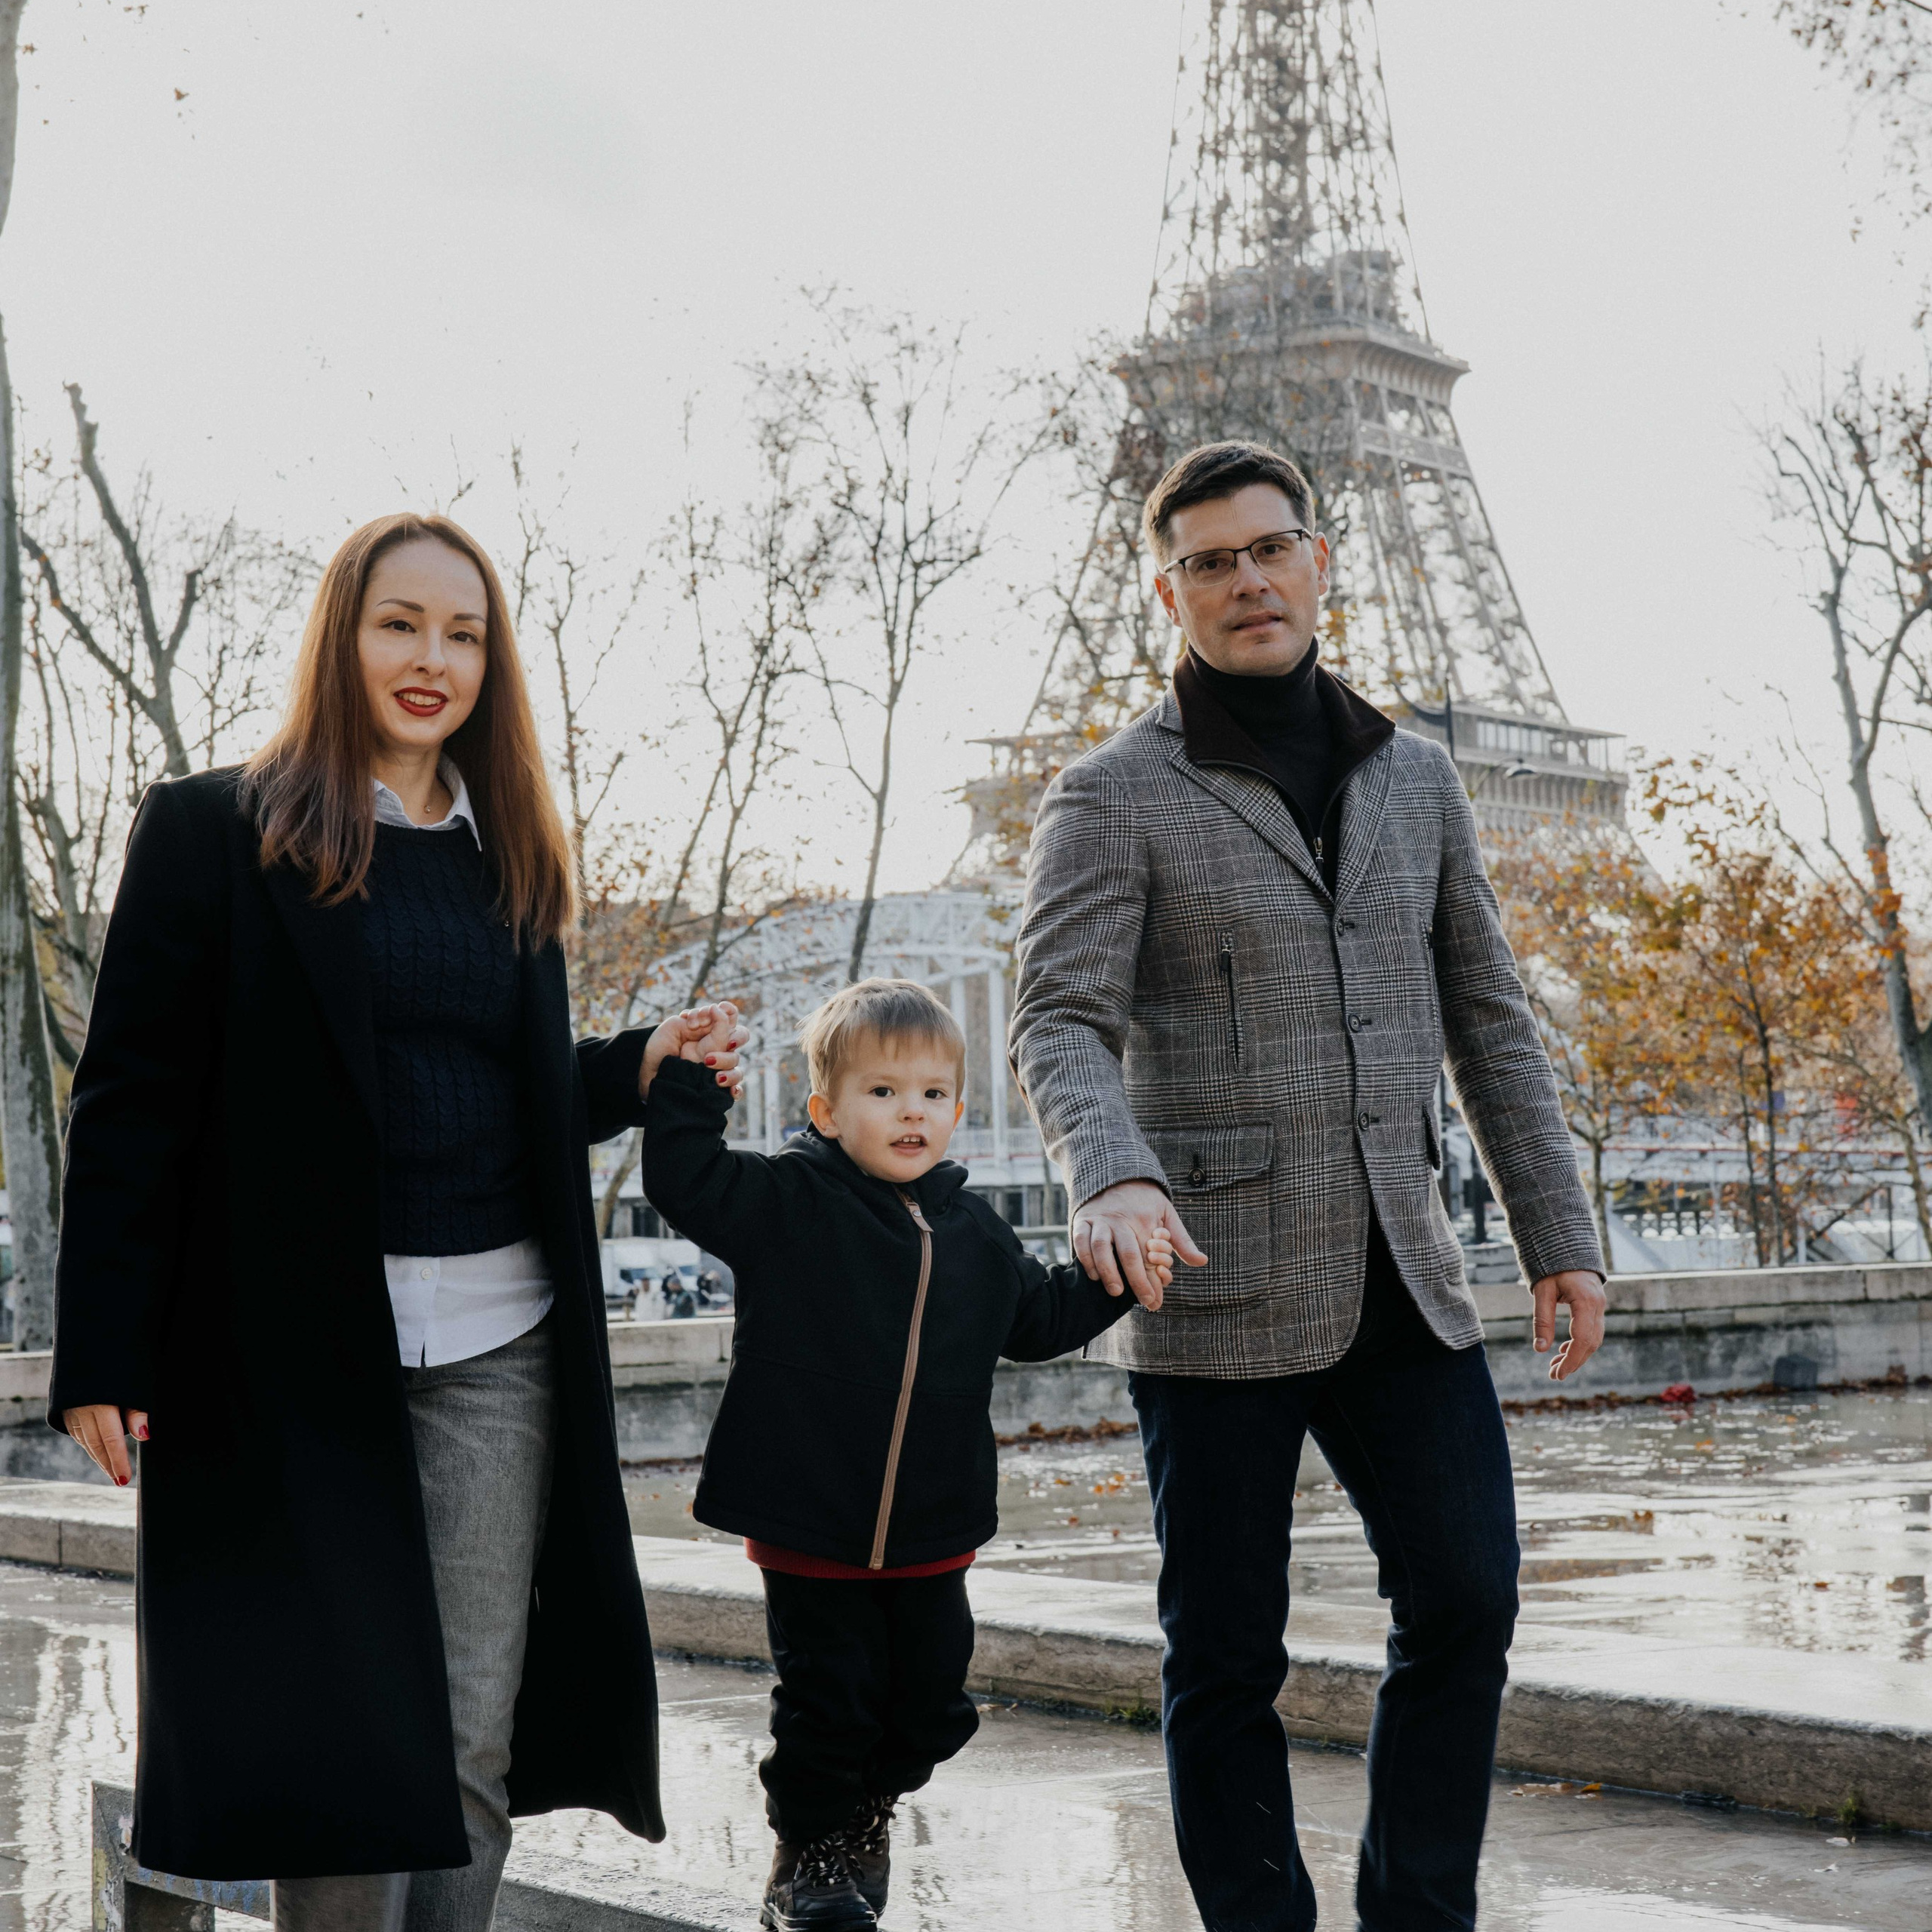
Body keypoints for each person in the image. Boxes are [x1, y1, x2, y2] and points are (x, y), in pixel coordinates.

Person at [49, 512, 745, 1931]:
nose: (434, 658)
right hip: (294, 1359)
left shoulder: (514, 850)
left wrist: (633, 1067)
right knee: (339, 1743)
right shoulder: (212, 829)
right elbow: (132, 1103)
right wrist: (104, 1351)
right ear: (342, 640)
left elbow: (489, 1084)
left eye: (465, 632)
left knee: (472, 1737)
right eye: (401, 624)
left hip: (503, 1344)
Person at [1010, 441, 1608, 1932]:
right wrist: (1113, 1173)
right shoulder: (1108, 792)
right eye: (1210, 560)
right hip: (1206, 1279)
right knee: (1223, 1655)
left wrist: (1557, 1232)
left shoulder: (1413, 777)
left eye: (1268, 546)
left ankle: (1417, 1911)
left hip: (1403, 1269)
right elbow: (1056, 1014)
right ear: (1167, 590)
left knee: (1466, 1599)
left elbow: (1487, 1011)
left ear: (1318, 558)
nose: (1247, 578)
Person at [641, 979, 1173, 1931]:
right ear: (827, 1111)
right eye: (881, 1092)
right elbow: (685, 1177)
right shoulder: (787, 1200)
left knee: (930, 1704)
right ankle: (811, 1854)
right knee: (829, 1700)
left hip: (932, 1523)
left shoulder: (974, 1231)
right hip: (812, 1518)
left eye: (930, 1093)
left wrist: (1125, 1275)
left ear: (958, 1111)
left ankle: (866, 1811)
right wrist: (691, 1081)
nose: (909, 1111)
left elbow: (1039, 1318)